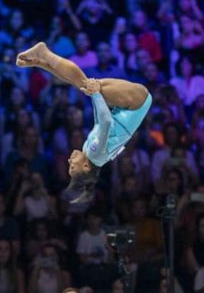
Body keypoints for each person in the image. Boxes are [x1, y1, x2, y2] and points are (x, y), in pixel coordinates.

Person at [16, 42, 152, 203]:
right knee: (84, 84)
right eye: (72, 166)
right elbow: (106, 122)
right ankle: (43, 54)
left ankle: (39, 62)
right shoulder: (95, 154)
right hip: (136, 103)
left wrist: (95, 96)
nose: (69, 161)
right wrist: (95, 95)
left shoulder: (91, 153)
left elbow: (101, 123)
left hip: (129, 106)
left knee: (82, 84)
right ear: (86, 167)